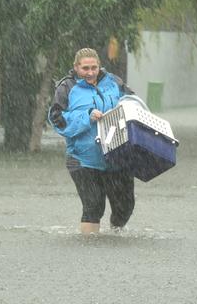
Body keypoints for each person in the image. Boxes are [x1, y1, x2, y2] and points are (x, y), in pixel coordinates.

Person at [48, 48, 136, 235]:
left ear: (99, 66)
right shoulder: (67, 87)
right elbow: (57, 120)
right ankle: (90, 251)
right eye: (85, 68)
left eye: (94, 68)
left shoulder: (114, 82)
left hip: (117, 156)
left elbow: (134, 104)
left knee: (125, 207)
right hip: (83, 159)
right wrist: (87, 116)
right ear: (76, 67)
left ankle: (115, 237)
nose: (90, 72)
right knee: (94, 206)